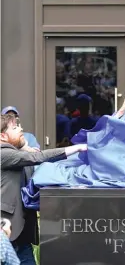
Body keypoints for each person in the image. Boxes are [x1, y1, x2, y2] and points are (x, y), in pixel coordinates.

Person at [1, 113, 87, 265]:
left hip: (20, 236)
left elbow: (38, 162)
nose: (21, 129)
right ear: (2, 136)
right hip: (5, 232)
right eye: (15, 128)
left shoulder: (19, 154)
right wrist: (77, 148)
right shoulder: (3, 154)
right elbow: (37, 158)